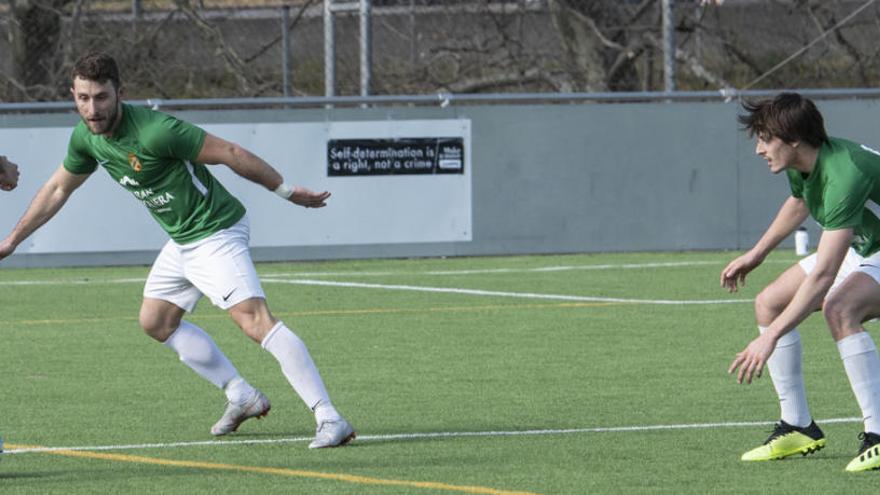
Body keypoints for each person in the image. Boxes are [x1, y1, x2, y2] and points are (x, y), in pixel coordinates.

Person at [0, 52, 355, 449]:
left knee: (255, 322)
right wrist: (13, 240)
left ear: (121, 93)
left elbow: (231, 153)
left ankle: (329, 416)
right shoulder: (86, 137)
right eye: (83, 98)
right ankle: (241, 394)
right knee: (156, 321)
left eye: (101, 97)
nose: (92, 108)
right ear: (73, 95)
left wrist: (286, 191)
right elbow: (58, 188)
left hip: (215, 230)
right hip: (184, 240)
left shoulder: (156, 131)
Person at [722, 92, 880, 472]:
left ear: (793, 139)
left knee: (840, 308)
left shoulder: (846, 173)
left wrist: (770, 336)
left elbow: (825, 275)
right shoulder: (804, 162)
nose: (760, 149)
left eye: (765, 138)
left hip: (874, 248)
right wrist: (756, 254)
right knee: (769, 301)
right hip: (870, 246)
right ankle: (798, 426)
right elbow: (800, 203)